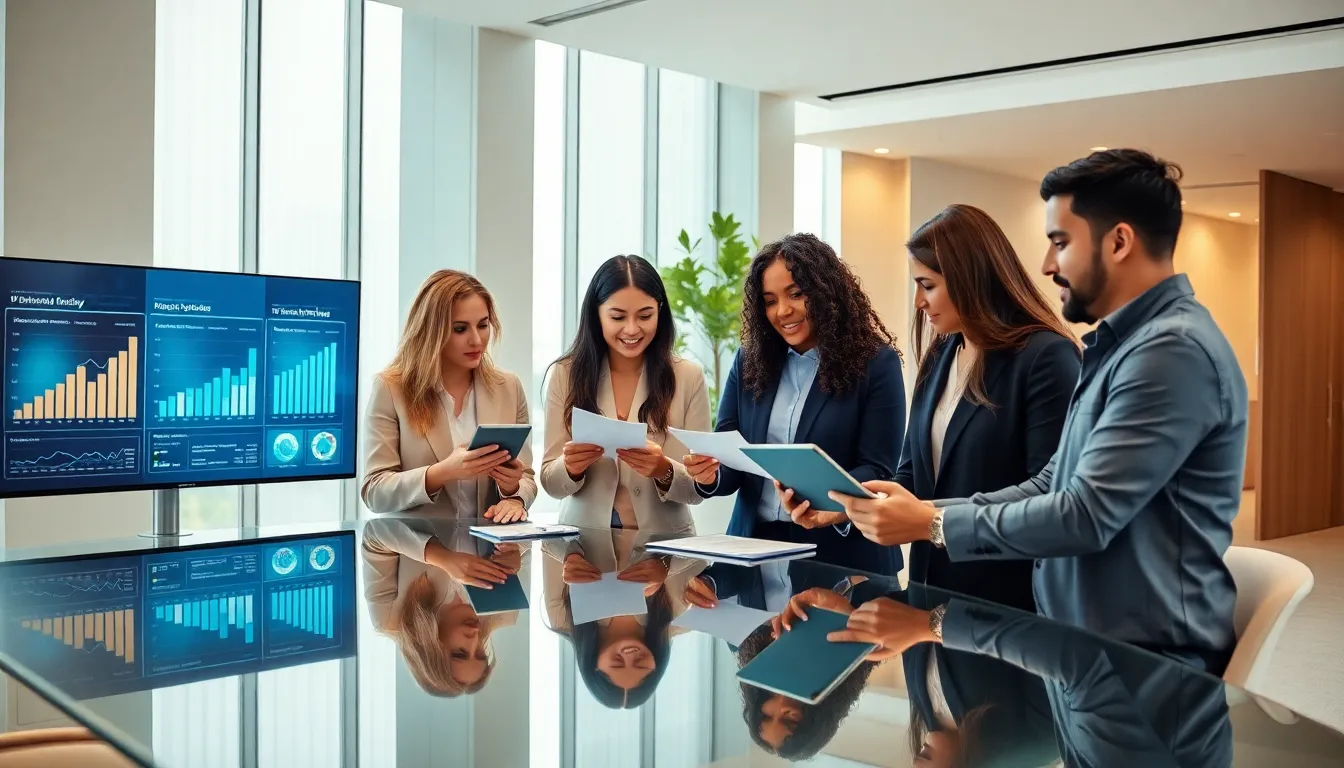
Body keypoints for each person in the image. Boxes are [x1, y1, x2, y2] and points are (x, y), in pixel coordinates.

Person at [829, 149, 1249, 672]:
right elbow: (1052, 482)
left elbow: (1084, 514)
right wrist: (919, 517)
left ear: (1119, 242)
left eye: (1060, 242)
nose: (1048, 264)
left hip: (1142, 665)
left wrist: (934, 523)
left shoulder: (1171, 351)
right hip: (1082, 649)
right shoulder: (1121, 348)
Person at [686, 233, 905, 575]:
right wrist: (710, 473)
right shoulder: (749, 361)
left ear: (826, 292)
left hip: (843, 558)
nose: (783, 311)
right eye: (770, 301)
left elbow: (878, 468)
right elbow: (731, 460)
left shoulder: (876, 363)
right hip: (752, 553)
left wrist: (825, 499)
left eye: (796, 294)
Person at [899, 204, 1080, 612]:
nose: (918, 302)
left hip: (1005, 604)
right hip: (928, 594)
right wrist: (851, 505)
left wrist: (927, 519)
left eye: (927, 285)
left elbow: (1048, 499)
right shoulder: (940, 354)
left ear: (969, 279)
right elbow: (914, 471)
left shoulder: (1046, 358)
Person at [540, 255, 710, 534]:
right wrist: (570, 467)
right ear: (596, 315)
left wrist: (665, 470)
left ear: (660, 312)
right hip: (583, 545)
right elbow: (550, 481)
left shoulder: (688, 376)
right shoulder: (566, 374)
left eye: (645, 316)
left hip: (666, 543)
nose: (632, 329)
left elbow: (698, 488)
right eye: (617, 317)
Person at [362, 270, 536, 521]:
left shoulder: (509, 387)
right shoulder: (390, 388)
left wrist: (513, 494)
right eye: (460, 329)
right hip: (419, 543)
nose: (476, 340)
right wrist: (442, 472)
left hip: (489, 544)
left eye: (483, 325)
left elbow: (526, 477)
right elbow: (374, 491)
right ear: (431, 331)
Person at [360, 517, 526, 696]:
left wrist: (442, 558)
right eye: (480, 653)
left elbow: (373, 535)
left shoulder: (390, 619)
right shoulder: (503, 612)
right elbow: (527, 536)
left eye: (459, 653)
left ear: (430, 653)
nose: (474, 640)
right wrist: (516, 550)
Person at [539, 527, 702, 709]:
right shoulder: (682, 617)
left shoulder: (562, 618)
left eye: (617, 663)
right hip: (661, 514)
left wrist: (568, 556)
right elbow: (697, 550)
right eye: (640, 664)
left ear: (593, 666)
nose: (629, 656)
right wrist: (665, 563)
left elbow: (548, 542)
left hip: (586, 513)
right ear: (657, 667)